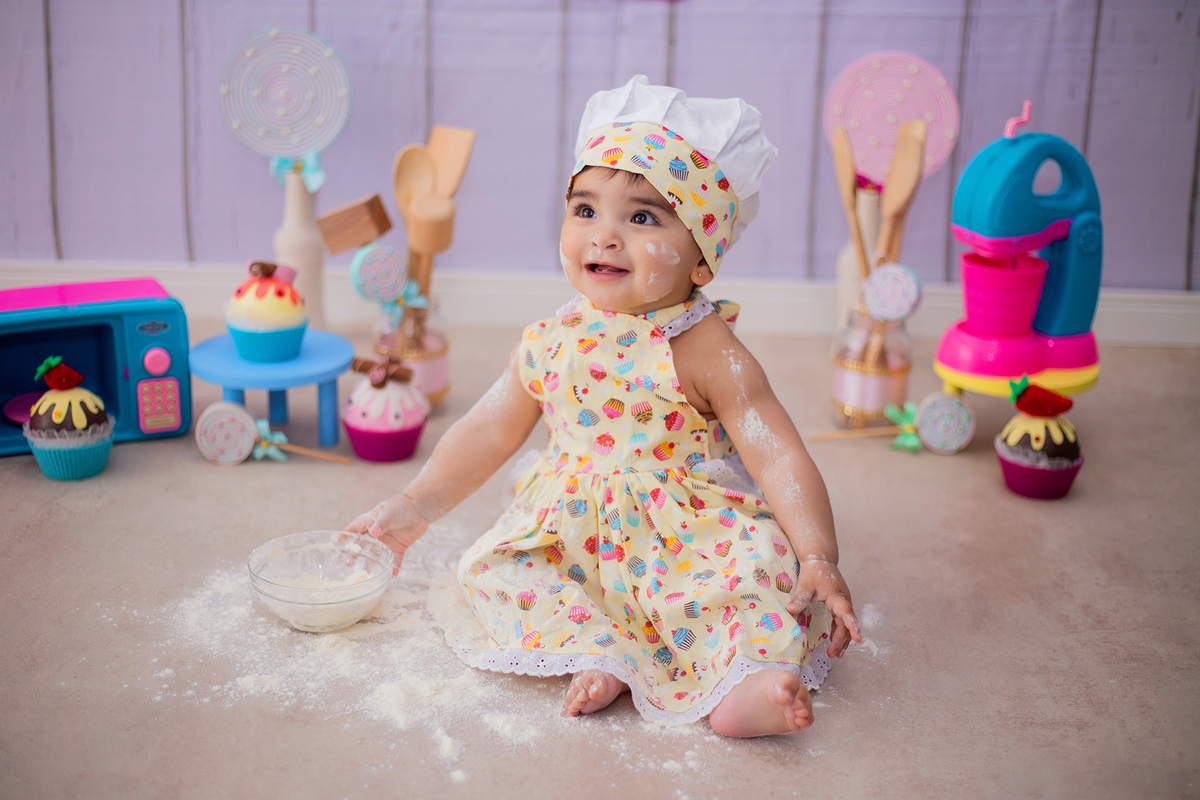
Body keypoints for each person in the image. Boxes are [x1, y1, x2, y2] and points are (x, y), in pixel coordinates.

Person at [346, 75, 861, 737]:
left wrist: (818, 554)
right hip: (570, 528)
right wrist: (414, 507)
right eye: (585, 210)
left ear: (703, 257)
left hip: (685, 533)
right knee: (494, 569)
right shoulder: (551, 340)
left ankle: (750, 679)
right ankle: (599, 650)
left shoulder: (708, 349)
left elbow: (777, 452)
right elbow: (485, 430)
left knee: (756, 568)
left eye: (643, 217)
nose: (605, 235)